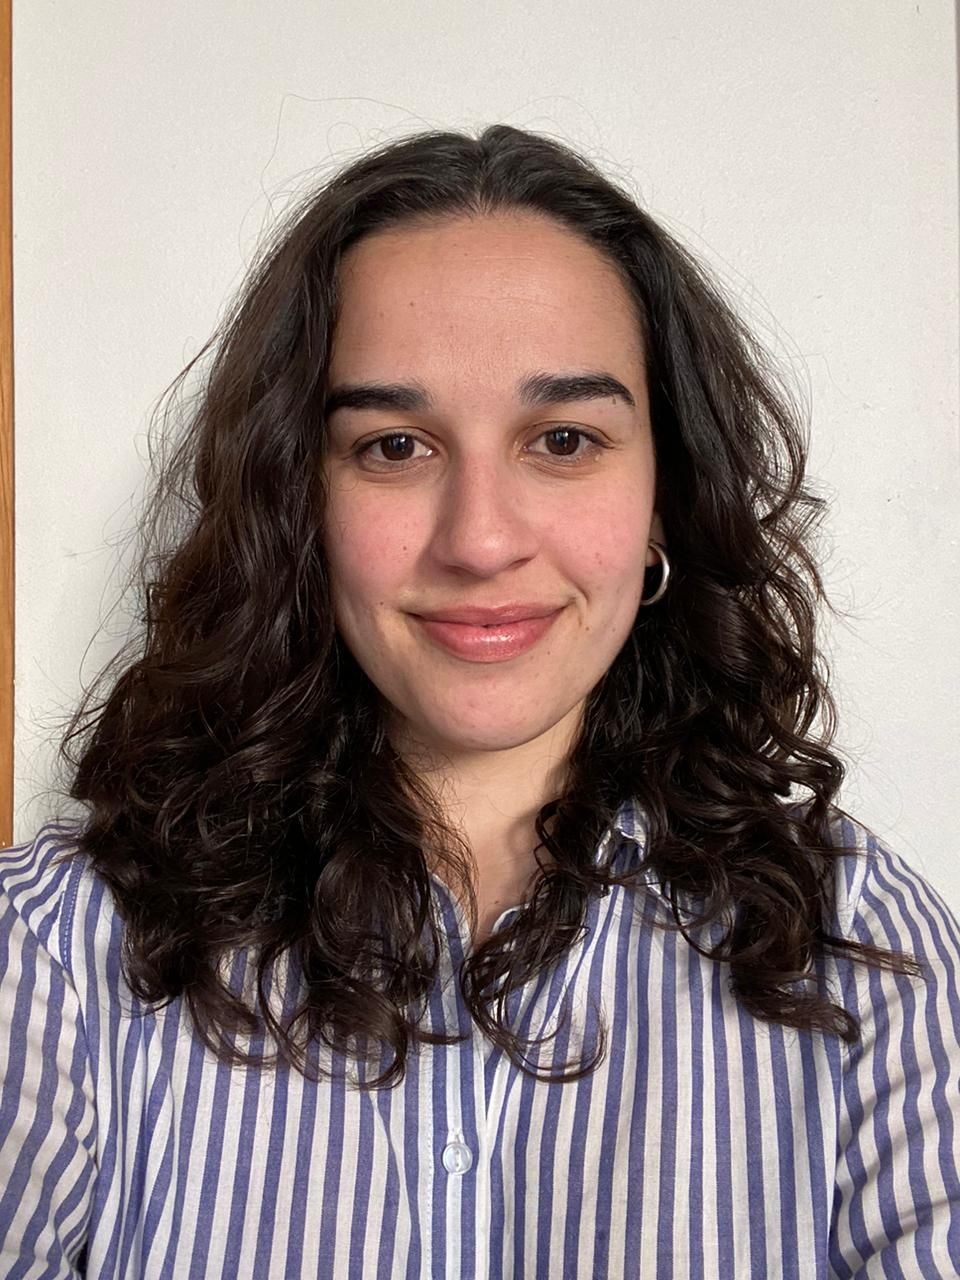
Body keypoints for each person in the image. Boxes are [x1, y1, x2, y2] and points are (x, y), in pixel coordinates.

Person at [1, 124, 958, 1280]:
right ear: (296, 496)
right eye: (395, 445)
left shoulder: (862, 950)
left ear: (668, 492)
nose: (481, 538)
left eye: (564, 438)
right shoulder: (53, 950)